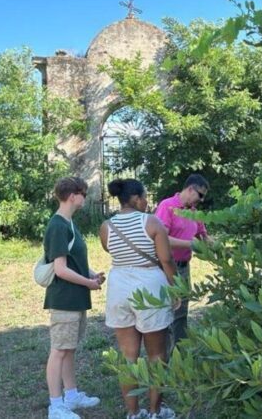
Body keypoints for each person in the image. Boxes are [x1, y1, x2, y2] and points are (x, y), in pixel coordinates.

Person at [100, 179, 178, 419]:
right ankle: (155, 412)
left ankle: (133, 413)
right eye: (144, 197)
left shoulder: (106, 226)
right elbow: (165, 260)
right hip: (150, 286)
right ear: (135, 198)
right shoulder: (152, 222)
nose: (147, 201)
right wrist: (176, 289)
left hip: (119, 286)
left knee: (128, 357)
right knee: (157, 355)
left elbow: (111, 252)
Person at [43, 177, 106, 419]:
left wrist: (91, 275)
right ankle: (56, 405)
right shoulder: (58, 225)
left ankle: (71, 395)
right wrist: (88, 283)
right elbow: (60, 269)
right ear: (73, 196)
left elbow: (74, 262)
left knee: (69, 348)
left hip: (75, 298)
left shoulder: (69, 224)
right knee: (59, 350)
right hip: (64, 300)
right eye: (83, 193)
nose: (85, 198)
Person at [154, 174, 212, 356]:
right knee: (164, 311)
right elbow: (161, 239)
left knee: (181, 313)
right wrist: (190, 245)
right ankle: (160, 356)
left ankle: (180, 356)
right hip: (164, 266)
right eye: (200, 195)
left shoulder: (194, 212)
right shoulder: (167, 206)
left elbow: (203, 236)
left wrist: (218, 246)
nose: (201, 200)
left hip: (184, 267)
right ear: (189, 189)